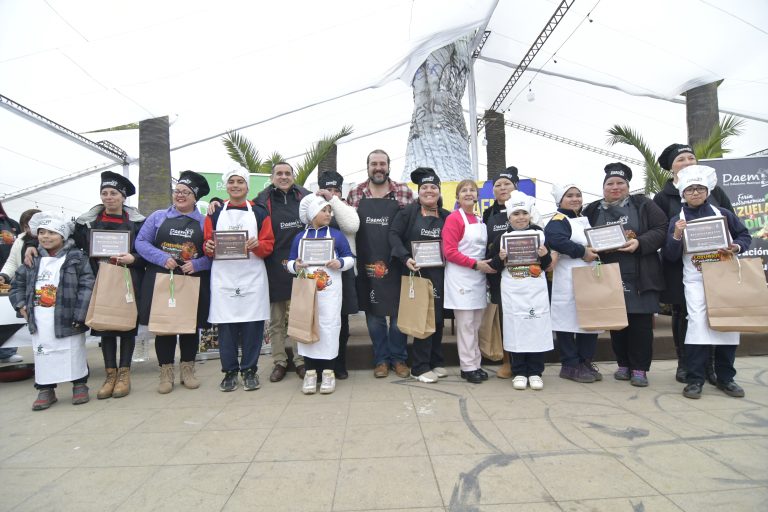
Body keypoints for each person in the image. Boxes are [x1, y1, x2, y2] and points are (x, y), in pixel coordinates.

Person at [663, 165, 751, 399]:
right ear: (683, 193)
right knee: (697, 326)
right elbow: (670, 256)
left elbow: (744, 236)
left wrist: (735, 247)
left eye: (700, 188)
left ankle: (726, 378)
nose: (695, 193)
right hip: (695, 280)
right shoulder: (677, 220)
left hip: (724, 278)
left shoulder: (723, 214)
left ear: (707, 191)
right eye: (690, 189)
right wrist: (677, 235)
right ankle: (695, 379)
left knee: (728, 325)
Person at [654, 143, 735, 384]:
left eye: (691, 158)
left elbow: (732, 225)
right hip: (680, 266)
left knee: (716, 312)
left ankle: (712, 367)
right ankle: (686, 365)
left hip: (717, 266)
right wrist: (677, 236)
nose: (687, 162)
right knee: (684, 314)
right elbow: (661, 232)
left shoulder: (715, 192)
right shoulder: (663, 196)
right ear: (671, 168)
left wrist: (732, 246)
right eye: (681, 160)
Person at [583, 163, 667, 387]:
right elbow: (581, 234)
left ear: (628, 186)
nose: (615, 187)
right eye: (610, 183)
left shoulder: (643, 204)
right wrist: (587, 248)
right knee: (616, 321)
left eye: (620, 183)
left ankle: (640, 369)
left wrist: (640, 242)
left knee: (640, 324)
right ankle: (623, 364)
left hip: (641, 274)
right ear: (603, 188)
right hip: (608, 273)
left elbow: (661, 228)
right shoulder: (592, 209)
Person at [135, 170, 211, 394]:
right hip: (162, 278)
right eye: (177, 191)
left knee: (189, 327)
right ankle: (166, 372)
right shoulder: (158, 217)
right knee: (165, 327)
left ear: (195, 197)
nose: (180, 195)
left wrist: (198, 264)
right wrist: (161, 258)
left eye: (186, 192)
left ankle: (188, 370)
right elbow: (141, 242)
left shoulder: (205, 222)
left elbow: (214, 253)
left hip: (191, 279)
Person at [9, 212, 95, 410]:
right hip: (40, 318)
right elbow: (17, 285)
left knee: (74, 351)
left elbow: (87, 286)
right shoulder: (32, 258)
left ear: (63, 235)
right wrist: (20, 305)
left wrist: (80, 313)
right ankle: (45, 389)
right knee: (43, 353)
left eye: (52, 233)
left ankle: (79, 384)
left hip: (69, 316)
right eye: (42, 233)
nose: (46, 237)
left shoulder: (77, 257)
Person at [72, 171, 145, 399]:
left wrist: (134, 258)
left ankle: (124, 374)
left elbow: (146, 251)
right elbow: (69, 244)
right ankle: (110, 374)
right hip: (100, 280)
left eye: (114, 193)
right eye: (105, 193)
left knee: (126, 327)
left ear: (123, 197)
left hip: (128, 280)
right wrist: (30, 245)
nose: (109, 197)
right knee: (105, 328)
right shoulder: (86, 224)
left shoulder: (138, 223)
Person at [203, 169, 274, 392]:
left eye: (240, 182)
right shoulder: (214, 213)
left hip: (252, 276)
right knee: (226, 326)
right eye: (231, 181)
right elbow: (207, 244)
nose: (235, 185)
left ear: (247, 186)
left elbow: (269, 245)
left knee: (253, 325)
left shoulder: (260, 212)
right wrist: (208, 247)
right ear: (226, 186)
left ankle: (250, 370)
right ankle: (230, 371)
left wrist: (258, 245)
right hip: (224, 277)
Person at [347, 149, 414, 378]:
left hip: (397, 262)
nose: (378, 168)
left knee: (398, 315)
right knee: (374, 315)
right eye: (374, 164)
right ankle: (381, 360)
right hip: (368, 262)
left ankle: (399, 359)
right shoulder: (355, 193)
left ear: (388, 166)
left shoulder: (404, 191)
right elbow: (348, 227)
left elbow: (411, 224)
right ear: (367, 167)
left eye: (382, 164)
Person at [287, 194, 355, 394]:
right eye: (323, 210)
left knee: (329, 328)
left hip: (330, 294)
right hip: (307, 292)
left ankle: (328, 371)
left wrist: (339, 263)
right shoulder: (300, 237)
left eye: (329, 210)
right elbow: (289, 262)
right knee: (307, 325)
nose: (328, 214)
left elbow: (349, 258)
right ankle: (310, 372)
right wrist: (295, 266)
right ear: (311, 214)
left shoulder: (337, 235)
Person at [389, 167, 450, 383]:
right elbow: (393, 235)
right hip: (417, 272)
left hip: (441, 273)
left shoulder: (447, 216)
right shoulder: (408, 213)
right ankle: (420, 366)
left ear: (439, 191)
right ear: (419, 191)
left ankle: (435, 360)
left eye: (433, 187)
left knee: (439, 318)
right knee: (423, 317)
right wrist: (405, 257)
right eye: (424, 187)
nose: (429, 190)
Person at [489, 191, 553, 390]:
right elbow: (493, 266)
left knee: (536, 328)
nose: (521, 217)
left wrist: (545, 255)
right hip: (513, 291)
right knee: (516, 329)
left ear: (530, 215)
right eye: (516, 214)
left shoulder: (540, 235)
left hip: (535, 290)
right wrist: (500, 258)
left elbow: (547, 265)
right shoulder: (502, 238)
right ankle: (519, 371)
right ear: (509, 217)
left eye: (524, 213)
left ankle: (535, 372)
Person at [255, 162, 310, 382]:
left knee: (299, 316)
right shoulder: (262, 200)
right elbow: (241, 209)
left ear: (293, 176)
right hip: (273, 264)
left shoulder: (305, 196)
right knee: (276, 320)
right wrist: (215, 202)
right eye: (279, 173)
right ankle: (279, 361)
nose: (284, 177)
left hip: (301, 263)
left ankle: (301, 361)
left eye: (288, 173)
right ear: (272, 177)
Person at [544, 183, 601, 383]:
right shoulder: (558, 220)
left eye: (578, 195)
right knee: (567, 321)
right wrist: (582, 251)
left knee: (590, 318)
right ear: (560, 200)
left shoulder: (582, 218)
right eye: (569, 196)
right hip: (568, 277)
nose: (575, 199)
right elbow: (555, 240)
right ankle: (570, 364)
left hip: (589, 275)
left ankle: (585, 361)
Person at [442, 179, 496, 384]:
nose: (468, 193)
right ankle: (467, 366)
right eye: (463, 190)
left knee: (475, 324)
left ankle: (476, 364)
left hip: (478, 277)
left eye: (472, 190)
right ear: (457, 197)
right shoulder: (454, 219)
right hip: (461, 277)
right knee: (465, 324)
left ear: (477, 196)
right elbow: (449, 252)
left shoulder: (480, 219)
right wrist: (475, 264)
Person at [315, 171, 359, 379]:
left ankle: (339, 363)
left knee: (341, 321)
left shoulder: (346, 209)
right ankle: (318, 364)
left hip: (343, 272)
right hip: (317, 273)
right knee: (319, 319)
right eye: (327, 190)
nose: (331, 194)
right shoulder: (313, 209)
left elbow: (352, 226)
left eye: (335, 191)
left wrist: (333, 201)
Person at [0, 208, 39, 363]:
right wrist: (3, 276)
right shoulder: (20, 239)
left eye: (33, 225)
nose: (30, 229)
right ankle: (7, 351)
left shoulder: (50, 239)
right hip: (23, 287)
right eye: (26, 226)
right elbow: (11, 262)